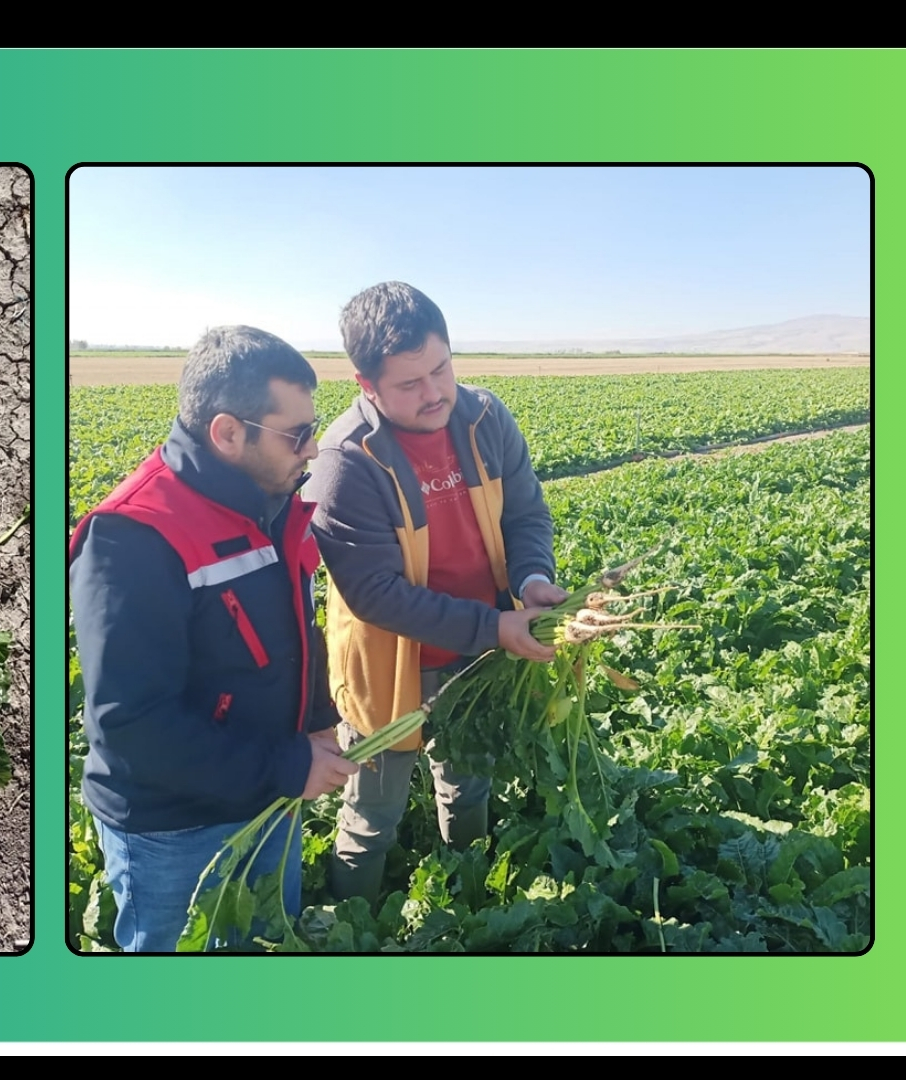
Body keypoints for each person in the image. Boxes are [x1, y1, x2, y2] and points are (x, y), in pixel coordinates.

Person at [67, 325, 359, 952]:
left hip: (266, 797)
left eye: (314, 428)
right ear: (228, 433)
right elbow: (133, 729)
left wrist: (314, 720)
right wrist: (286, 765)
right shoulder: (131, 540)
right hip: (174, 831)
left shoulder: (271, 501)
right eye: (296, 434)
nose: (311, 450)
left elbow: (289, 629)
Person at [303, 282, 568, 907]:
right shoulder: (345, 460)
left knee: (468, 783)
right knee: (373, 814)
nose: (434, 394)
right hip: (392, 668)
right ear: (366, 384)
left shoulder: (484, 416)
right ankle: (350, 928)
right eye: (409, 384)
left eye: (441, 369)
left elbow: (525, 515)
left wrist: (530, 581)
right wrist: (495, 628)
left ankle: (469, 903)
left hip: (479, 655)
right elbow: (376, 596)